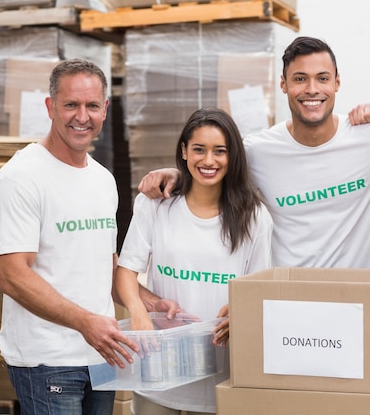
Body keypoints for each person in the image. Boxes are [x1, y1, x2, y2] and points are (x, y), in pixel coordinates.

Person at [138, 36, 370, 269]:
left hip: (361, 301)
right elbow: (212, 165)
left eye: (321, 79)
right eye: (300, 79)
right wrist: (175, 174)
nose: (311, 89)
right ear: (284, 85)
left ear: (337, 83)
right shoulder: (258, 150)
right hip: (288, 301)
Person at [0, 59, 139, 415]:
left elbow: (106, 266)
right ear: (50, 107)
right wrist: (85, 322)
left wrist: (152, 301)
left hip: (101, 354)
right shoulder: (21, 177)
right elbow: (12, 276)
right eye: (71, 104)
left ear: (105, 109)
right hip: (48, 360)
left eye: (91, 106)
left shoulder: (103, 180)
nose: (81, 117)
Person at [114, 108, 273, 415]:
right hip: (159, 374)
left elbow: (259, 290)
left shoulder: (254, 217)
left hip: (220, 376)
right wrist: (137, 312)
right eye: (199, 149)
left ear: (233, 156)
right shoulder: (155, 205)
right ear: (184, 151)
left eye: (220, 151)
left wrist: (240, 312)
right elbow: (126, 271)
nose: (209, 161)